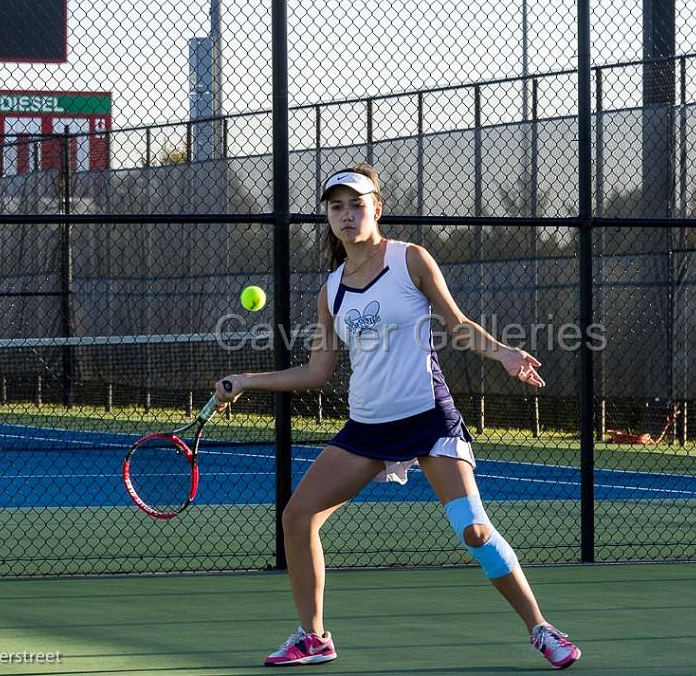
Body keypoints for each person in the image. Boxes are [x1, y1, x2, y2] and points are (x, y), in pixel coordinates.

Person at [215, 164, 581, 670]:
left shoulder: (411, 260)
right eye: (336, 207)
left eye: (356, 204)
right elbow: (318, 370)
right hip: (366, 429)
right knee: (297, 518)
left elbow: (459, 326)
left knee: (474, 530)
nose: (346, 215)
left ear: (377, 209)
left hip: (429, 420)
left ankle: (541, 629)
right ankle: (314, 637)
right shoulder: (332, 289)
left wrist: (503, 355)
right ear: (327, 216)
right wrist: (248, 381)